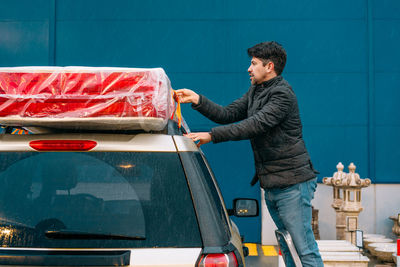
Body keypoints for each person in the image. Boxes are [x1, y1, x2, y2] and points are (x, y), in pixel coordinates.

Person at [175, 41, 324, 267]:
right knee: (288, 245)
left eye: (253, 64)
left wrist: (211, 136)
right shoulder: (257, 90)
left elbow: (254, 125)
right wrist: (197, 100)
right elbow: (228, 114)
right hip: (274, 182)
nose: (249, 68)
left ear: (269, 66)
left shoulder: (282, 95)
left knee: (304, 249)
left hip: (292, 183)